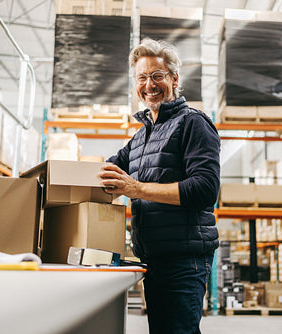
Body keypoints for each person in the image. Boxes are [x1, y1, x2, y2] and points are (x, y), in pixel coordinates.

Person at [99, 38, 220, 334]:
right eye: (142, 78)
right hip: (153, 256)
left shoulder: (193, 123)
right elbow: (109, 169)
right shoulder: (141, 136)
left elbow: (205, 189)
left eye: (157, 76)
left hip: (185, 257)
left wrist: (136, 189)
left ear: (174, 79)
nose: (149, 85)